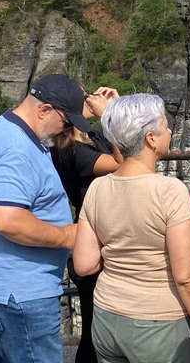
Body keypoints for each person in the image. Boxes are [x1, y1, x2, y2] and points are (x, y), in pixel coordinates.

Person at [0, 74, 90, 363]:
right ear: (44, 110)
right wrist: (67, 235)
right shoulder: (16, 150)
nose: (64, 131)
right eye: (65, 123)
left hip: (2, 288)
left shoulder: (8, 128)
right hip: (18, 294)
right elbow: (7, 220)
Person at [72, 94, 190, 363]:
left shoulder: (97, 188)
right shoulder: (170, 191)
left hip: (107, 317)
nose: (170, 131)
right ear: (151, 138)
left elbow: (84, 264)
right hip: (159, 325)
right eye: (165, 126)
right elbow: (187, 277)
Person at [51, 86, 123, 363]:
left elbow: (131, 146)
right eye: (82, 98)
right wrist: (109, 118)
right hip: (92, 242)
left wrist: (116, 110)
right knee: (95, 332)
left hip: (106, 236)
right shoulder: (72, 152)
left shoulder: (91, 137)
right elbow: (123, 162)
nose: (91, 98)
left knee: (104, 328)